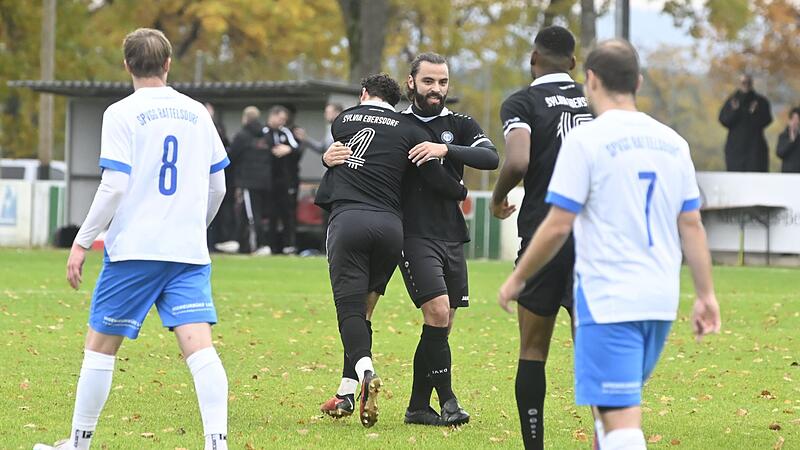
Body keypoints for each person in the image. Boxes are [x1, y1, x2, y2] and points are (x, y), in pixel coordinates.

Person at [498, 39, 721, 450]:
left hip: (609, 298)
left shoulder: (588, 140)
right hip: (659, 299)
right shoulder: (673, 142)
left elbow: (558, 223)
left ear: (592, 80)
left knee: (620, 425)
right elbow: (691, 223)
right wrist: (706, 295)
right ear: (637, 81)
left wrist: (516, 280)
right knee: (615, 411)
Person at [35, 28, 230, 450]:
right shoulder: (198, 112)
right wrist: (197, 226)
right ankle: (217, 443)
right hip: (187, 251)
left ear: (126, 65)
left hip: (136, 250)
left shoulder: (121, 112)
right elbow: (219, 186)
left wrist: (83, 241)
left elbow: (115, 185)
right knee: (200, 351)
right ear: (167, 63)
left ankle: (79, 443)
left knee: (100, 349)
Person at [319, 52, 498, 427]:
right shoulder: (396, 125)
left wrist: (445, 149)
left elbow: (490, 157)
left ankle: (416, 405)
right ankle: (442, 399)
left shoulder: (460, 124)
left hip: (450, 234)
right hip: (408, 235)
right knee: (378, 308)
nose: (437, 89)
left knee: (442, 323)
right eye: (429, 81)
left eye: (443, 82)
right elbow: (359, 155)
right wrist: (332, 155)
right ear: (411, 82)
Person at [490, 25, 591, 449]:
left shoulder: (523, 101)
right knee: (596, 354)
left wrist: (498, 197)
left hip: (543, 237)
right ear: (572, 62)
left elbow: (517, 159)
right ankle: (608, 439)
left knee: (533, 351)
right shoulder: (597, 99)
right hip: (595, 239)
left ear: (533, 59)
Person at [228, 106, 271, 254]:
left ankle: (259, 245)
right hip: (264, 181)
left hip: (248, 180)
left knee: (252, 214)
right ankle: (241, 244)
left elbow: (231, 156)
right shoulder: (265, 135)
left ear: (245, 118)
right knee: (247, 213)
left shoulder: (242, 135)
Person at [264, 106, 301, 254]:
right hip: (268, 180)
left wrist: (288, 149)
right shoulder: (263, 132)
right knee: (271, 215)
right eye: (280, 119)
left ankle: (288, 245)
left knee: (287, 213)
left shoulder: (285, 132)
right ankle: (270, 246)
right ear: (272, 116)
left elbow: (297, 147)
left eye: (284, 120)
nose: (282, 122)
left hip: (285, 181)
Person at [718, 74, 772, 172]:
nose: (746, 85)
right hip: (735, 149)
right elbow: (723, 120)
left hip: (755, 150)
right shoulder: (732, 101)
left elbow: (767, 120)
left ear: (752, 84)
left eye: (748, 83)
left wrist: (754, 113)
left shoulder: (760, 101)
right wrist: (734, 111)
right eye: (743, 82)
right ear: (739, 84)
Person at [776, 107, 800, 173]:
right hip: (788, 174)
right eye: (793, 119)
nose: (795, 122)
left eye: (797, 119)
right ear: (789, 120)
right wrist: (791, 141)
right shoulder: (783, 136)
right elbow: (779, 153)